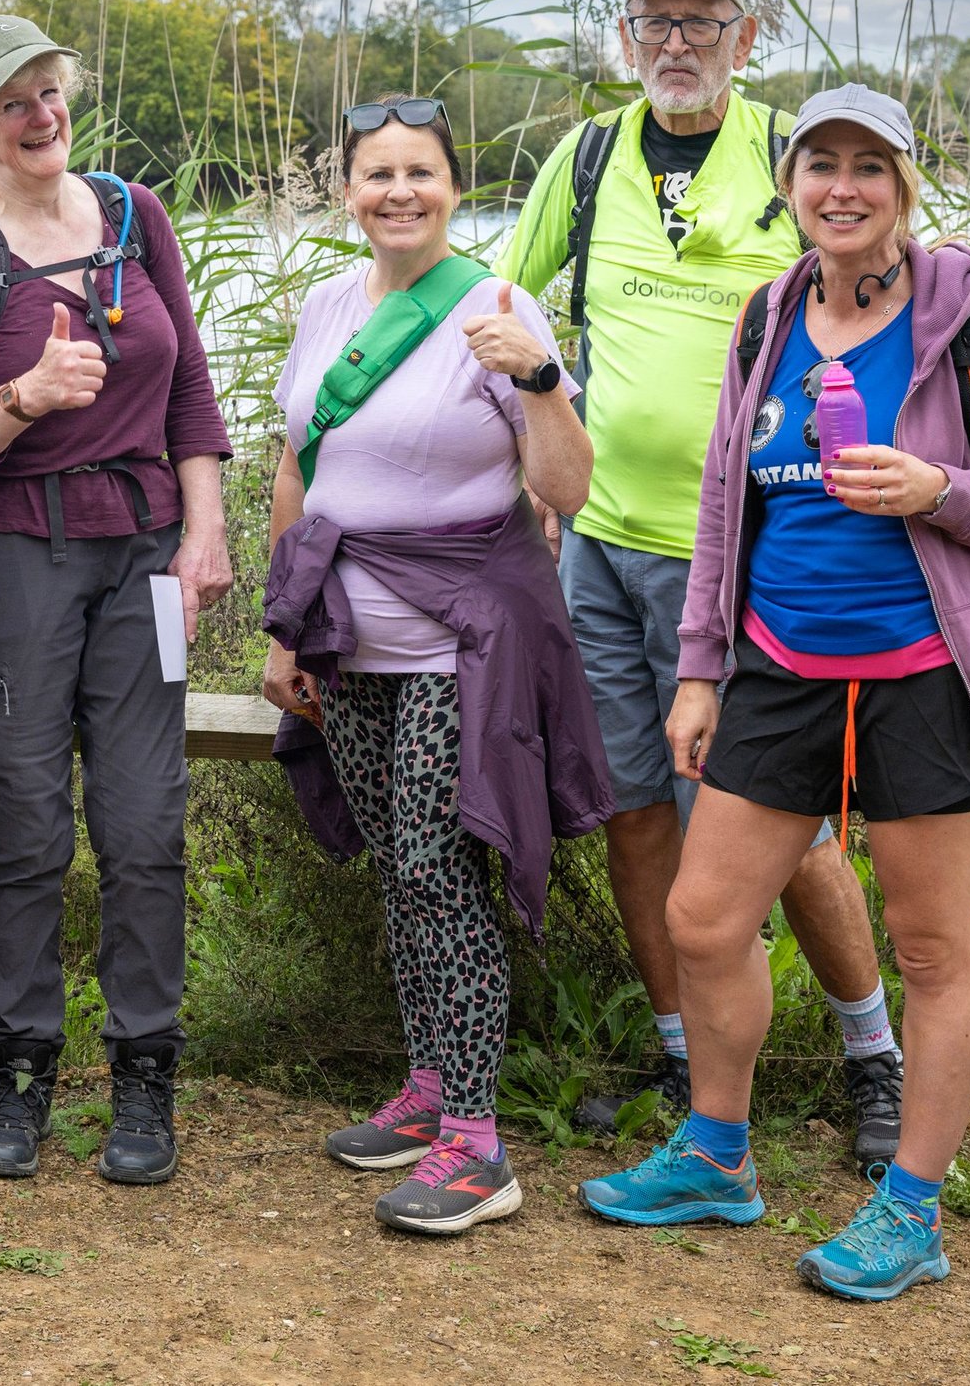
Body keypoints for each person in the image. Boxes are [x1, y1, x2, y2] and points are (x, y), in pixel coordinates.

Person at [581, 83, 970, 1300]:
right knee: (703, 921)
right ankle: (716, 1153)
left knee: (928, 946)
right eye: (820, 164)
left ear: (906, 186)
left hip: (925, 675)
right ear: (789, 184)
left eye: (870, 165)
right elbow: (720, 512)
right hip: (778, 666)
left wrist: (936, 490)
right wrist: (699, 670)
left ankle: (908, 1212)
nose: (842, 187)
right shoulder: (765, 317)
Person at [496, 0, 905, 1163]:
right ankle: (689, 1063)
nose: (677, 43)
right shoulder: (583, 160)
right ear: (624, 38)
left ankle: (871, 1056)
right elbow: (502, 309)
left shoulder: (796, 156)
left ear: (747, 32)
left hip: (749, 559)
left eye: (702, 22)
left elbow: (883, 302)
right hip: (602, 550)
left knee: (786, 832)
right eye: (653, 23)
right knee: (633, 815)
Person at [260, 94, 611, 1236]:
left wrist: (540, 379)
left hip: (459, 648)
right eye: (376, 175)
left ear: (454, 189)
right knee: (396, 873)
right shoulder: (322, 307)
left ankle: (476, 1142)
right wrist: (283, 628)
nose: (398, 192)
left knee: (439, 874)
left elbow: (564, 491)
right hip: (346, 641)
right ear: (346, 192)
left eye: (419, 172)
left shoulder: (501, 312)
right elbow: (297, 467)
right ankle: (427, 1088)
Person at [0, 13, 232, 1185]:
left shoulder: (136, 215)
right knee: (28, 826)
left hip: (142, 552)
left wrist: (204, 533)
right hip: (11, 563)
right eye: (11, 103)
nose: (40, 117)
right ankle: (22, 1068)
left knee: (146, 825)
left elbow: (190, 382)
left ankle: (145, 1073)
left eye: (49, 91)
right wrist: (30, 393)